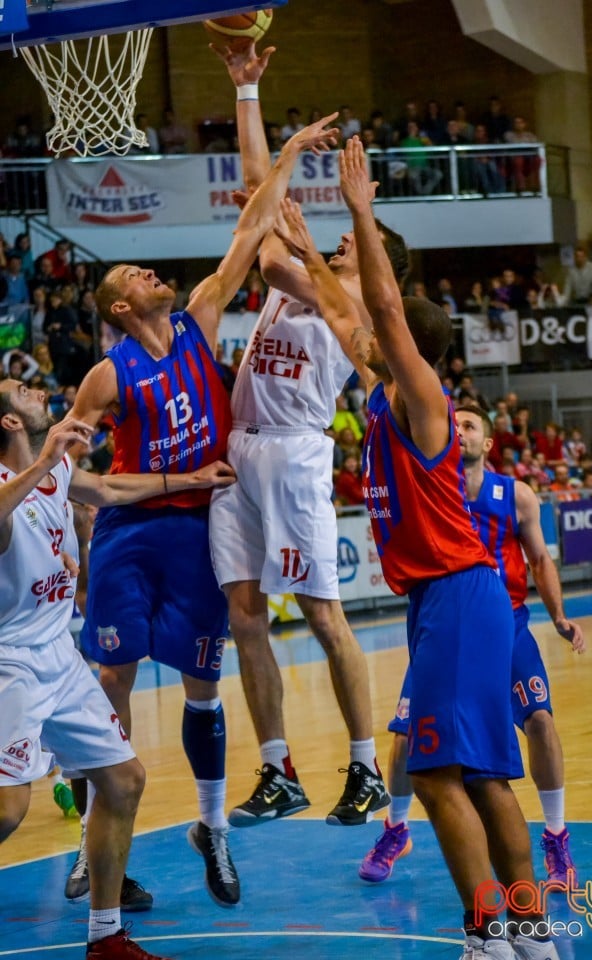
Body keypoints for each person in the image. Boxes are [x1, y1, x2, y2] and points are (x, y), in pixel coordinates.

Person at [273, 137, 559, 960]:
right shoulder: (383, 395)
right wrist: (306, 252)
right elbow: (345, 314)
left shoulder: (424, 398)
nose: (360, 338)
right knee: (484, 778)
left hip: (460, 594)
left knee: (433, 776)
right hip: (450, 599)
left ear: (407, 351)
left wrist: (361, 215)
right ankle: (531, 932)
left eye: (379, 339)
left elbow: (383, 316)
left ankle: (487, 934)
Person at [63, 109, 339, 906]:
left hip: (195, 530)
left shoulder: (199, 320)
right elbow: (65, 470)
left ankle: (213, 829)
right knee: (110, 677)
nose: (154, 276)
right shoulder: (107, 377)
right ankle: (93, 844)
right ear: (119, 308)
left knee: (201, 686)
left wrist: (284, 153)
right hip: (128, 532)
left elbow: (253, 227)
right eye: (137, 278)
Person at [209, 42, 395, 827]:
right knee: (245, 614)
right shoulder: (317, 276)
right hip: (240, 448)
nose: (346, 241)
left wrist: (285, 164)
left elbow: (269, 248)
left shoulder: (351, 309)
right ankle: (277, 768)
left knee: (323, 616)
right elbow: (260, 200)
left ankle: (364, 767)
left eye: (357, 244)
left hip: (293, 454)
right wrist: (249, 93)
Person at [0, 379, 236, 959]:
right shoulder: (12, 482)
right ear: (8, 422)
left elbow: (108, 486)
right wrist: (49, 459)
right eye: (19, 390)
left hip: (59, 652)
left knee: (124, 779)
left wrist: (192, 480)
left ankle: (105, 937)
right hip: (9, 663)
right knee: (9, 808)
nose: (33, 389)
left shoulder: (56, 473)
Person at [359, 405, 584, 896]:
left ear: (487, 444)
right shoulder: (431, 490)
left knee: (541, 721)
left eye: (470, 426)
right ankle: (396, 830)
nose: (458, 431)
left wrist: (560, 616)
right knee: (404, 735)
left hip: (507, 621)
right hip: (447, 621)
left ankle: (556, 836)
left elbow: (541, 559)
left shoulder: (516, 496)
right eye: (452, 423)